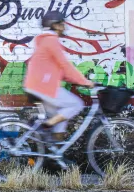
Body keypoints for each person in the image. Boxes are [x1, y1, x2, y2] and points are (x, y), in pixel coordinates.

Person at [23, 11, 94, 142]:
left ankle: (56, 154)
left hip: (35, 86)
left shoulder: (45, 41)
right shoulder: (51, 41)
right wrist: (85, 82)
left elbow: (61, 70)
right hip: (43, 87)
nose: (65, 27)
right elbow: (65, 65)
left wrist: (76, 80)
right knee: (77, 104)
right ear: (55, 26)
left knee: (60, 117)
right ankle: (45, 126)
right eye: (62, 24)